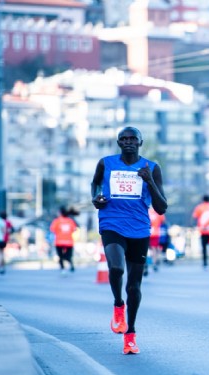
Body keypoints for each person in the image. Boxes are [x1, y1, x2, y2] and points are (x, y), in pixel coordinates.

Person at [91, 126, 167, 354]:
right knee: (115, 268)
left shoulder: (151, 168)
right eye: (123, 139)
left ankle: (130, 334)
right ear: (118, 142)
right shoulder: (106, 163)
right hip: (111, 223)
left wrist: (149, 182)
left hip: (139, 228)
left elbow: (161, 208)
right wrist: (96, 197)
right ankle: (117, 304)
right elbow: (95, 183)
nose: (128, 142)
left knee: (134, 286)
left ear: (140, 142)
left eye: (133, 138)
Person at [50, 206, 79, 275]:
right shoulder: (70, 221)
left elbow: (52, 229)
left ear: (60, 213)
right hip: (69, 242)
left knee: (60, 256)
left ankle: (63, 269)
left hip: (59, 242)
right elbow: (74, 229)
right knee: (68, 256)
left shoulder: (57, 221)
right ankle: (71, 264)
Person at [192, 195, 209, 270]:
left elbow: (195, 217)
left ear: (203, 200)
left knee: (204, 248)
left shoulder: (199, 207)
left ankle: (205, 263)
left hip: (203, 230)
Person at [146, 207, 166, 275]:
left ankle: (145, 263)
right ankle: (154, 263)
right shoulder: (158, 211)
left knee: (145, 248)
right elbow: (163, 221)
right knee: (155, 249)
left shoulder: (146, 211)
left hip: (146, 232)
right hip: (155, 233)